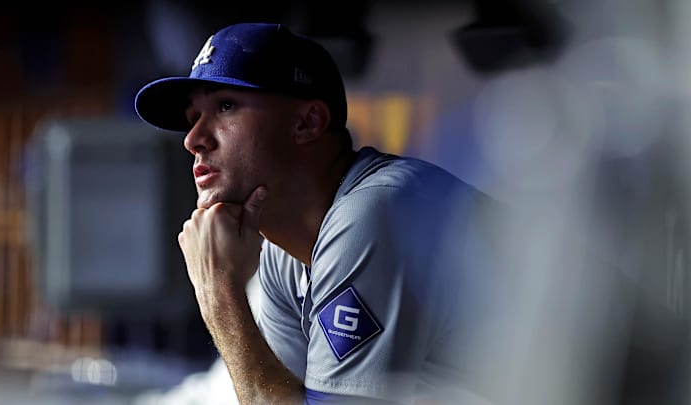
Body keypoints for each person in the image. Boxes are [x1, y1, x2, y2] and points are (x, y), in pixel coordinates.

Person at [134, 22, 500, 405]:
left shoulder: (373, 212)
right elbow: (277, 396)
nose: (193, 139)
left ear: (307, 123)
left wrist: (218, 295)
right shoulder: (283, 252)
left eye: (225, 106)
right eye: (193, 118)